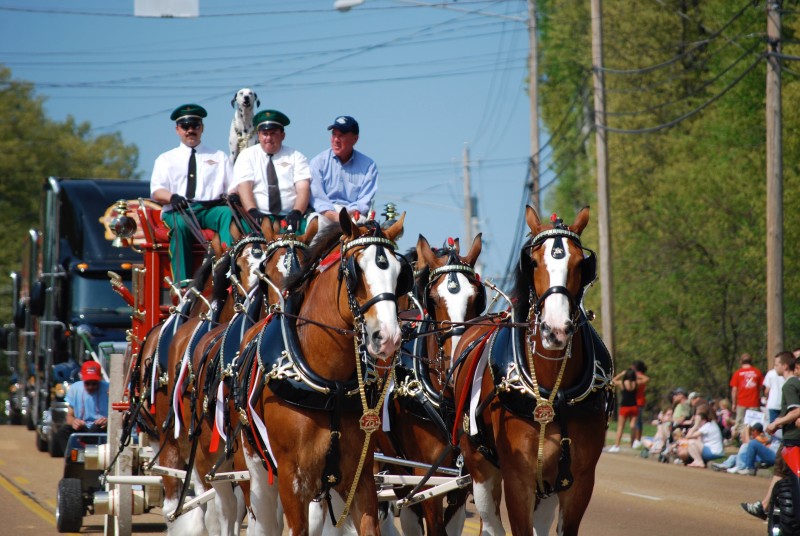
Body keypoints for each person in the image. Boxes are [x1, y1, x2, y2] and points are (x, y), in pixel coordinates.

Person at [150, 104, 235, 285]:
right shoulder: (166, 159)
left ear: (202, 128)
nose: (190, 130)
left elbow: (232, 188)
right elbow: (157, 191)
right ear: (177, 130)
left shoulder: (219, 156)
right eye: (185, 126)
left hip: (211, 210)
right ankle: (182, 282)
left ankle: (227, 269)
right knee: (179, 225)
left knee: (228, 214)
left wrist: (234, 196)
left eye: (195, 126)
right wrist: (172, 197)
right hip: (179, 210)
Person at [231, 109, 311, 233]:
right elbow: (244, 186)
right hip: (257, 218)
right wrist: (252, 211)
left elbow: (303, 188)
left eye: (273, 133)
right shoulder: (247, 156)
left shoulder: (296, 156)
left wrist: (297, 212)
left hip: (289, 218)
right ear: (258, 135)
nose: (268, 138)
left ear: (283, 135)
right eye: (265, 133)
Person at [741, 351, 798, 520]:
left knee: (781, 471)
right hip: (790, 434)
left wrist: (776, 423)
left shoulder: (790, 385)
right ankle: (765, 505)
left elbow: (796, 410)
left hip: (792, 437)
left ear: (785, 366)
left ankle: (766, 506)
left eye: (776, 365)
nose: (774, 368)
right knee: (781, 472)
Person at [309, 115, 378, 228]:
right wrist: (335, 216)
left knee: (368, 238)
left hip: (354, 215)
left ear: (355, 139)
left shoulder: (369, 166)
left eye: (341, 135)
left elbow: (364, 201)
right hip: (324, 215)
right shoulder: (318, 162)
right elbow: (317, 198)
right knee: (316, 226)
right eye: (334, 134)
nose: (336, 140)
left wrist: (346, 215)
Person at [55, 360, 109, 455]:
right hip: (83, 426)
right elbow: (69, 416)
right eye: (87, 383)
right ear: (82, 378)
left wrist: (108, 420)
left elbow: (119, 414)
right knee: (62, 432)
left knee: (95, 429)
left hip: (101, 427)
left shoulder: (108, 389)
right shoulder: (74, 389)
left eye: (94, 383)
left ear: (100, 379)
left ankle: (93, 456)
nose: (91, 387)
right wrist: (74, 422)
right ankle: (71, 458)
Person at [730, 353, 764, 439]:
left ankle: (743, 440)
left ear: (741, 361)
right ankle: (753, 439)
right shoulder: (757, 372)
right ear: (751, 361)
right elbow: (761, 388)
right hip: (754, 402)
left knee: (741, 424)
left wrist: (734, 403)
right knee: (754, 424)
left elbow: (734, 390)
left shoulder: (737, 373)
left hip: (741, 402)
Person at [679, 403, 724, 468]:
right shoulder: (709, 424)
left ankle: (699, 461)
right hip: (712, 451)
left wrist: (695, 425)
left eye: (697, 415)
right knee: (687, 443)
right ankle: (696, 460)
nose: (695, 417)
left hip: (714, 452)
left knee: (691, 442)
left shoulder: (708, 425)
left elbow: (688, 437)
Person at [607, 368, 638, 453]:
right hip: (634, 407)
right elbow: (646, 379)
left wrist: (621, 374)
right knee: (633, 426)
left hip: (624, 407)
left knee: (620, 427)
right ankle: (633, 444)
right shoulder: (636, 383)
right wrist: (636, 375)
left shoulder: (622, 383)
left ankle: (617, 445)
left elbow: (612, 381)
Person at [764, 352, 789, 423]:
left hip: (773, 403)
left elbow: (767, 391)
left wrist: (767, 398)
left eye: (776, 365)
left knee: (774, 427)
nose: (775, 367)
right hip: (784, 404)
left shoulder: (770, 373)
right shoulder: (787, 375)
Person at [631, 360, 649, 449]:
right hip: (634, 401)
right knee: (634, 422)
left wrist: (635, 374)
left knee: (638, 422)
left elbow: (646, 379)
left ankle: (637, 440)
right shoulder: (635, 376)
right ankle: (634, 440)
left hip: (639, 401)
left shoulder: (639, 375)